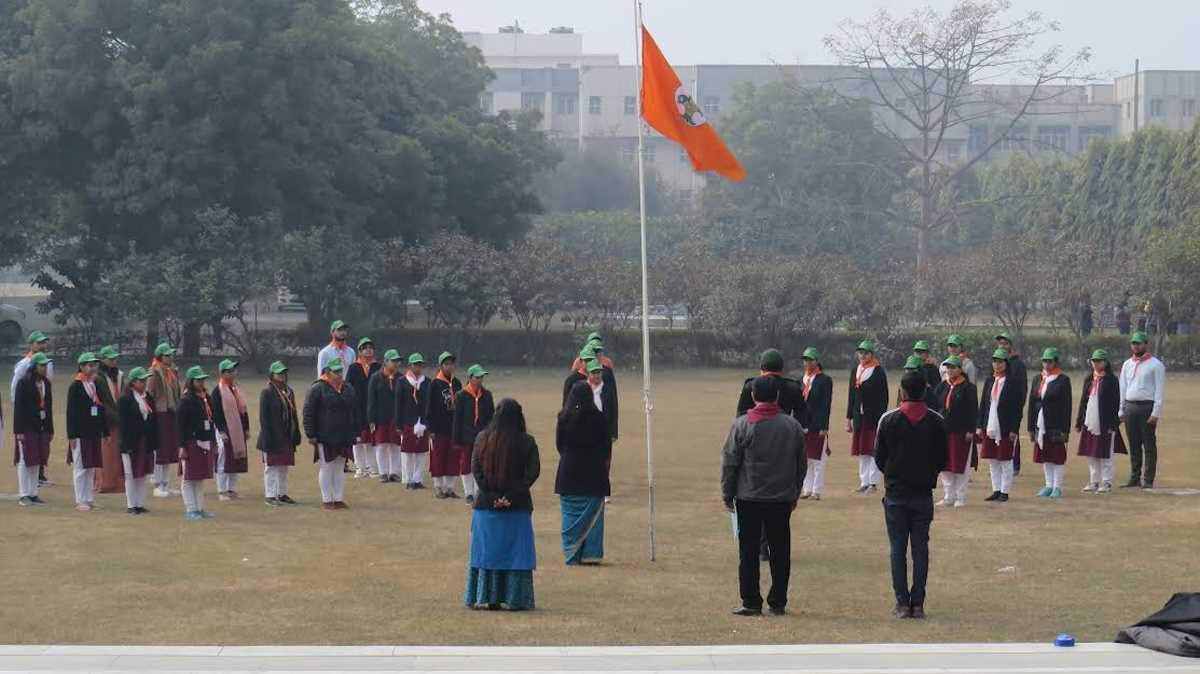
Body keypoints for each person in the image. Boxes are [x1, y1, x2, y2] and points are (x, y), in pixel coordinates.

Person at [721, 375, 806, 616]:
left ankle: (751, 601)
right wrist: (794, 493)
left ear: (753, 396)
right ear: (777, 396)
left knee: (748, 551)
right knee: (781, 551)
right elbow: (801, 465)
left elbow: (730, 463)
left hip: (749, 498)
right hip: (780, 498)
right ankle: (778, 601)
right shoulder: (792, 426)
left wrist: (727, 494)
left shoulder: (742, 425)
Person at [875, 371, 948, 620]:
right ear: (926, 391)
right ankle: (918, 603)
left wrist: (895, 473)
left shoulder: (888, 419)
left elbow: (879, 459)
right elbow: (942, 459)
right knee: (920, 549)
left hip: (896, 493)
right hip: (922, 493)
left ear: (903, 392)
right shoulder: (936, 421)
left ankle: (902, 603)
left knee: (897, 549)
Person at [464, 398, 541, 611]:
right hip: (517, 509)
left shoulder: (482, 439)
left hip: (486, 508)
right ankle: (515, 597)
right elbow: (531, 473)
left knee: (488, 553)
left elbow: (476, 471)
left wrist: (493, 497)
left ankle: (487, 596)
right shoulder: (527, 441)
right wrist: (510, 497)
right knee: (515, 555)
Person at [555, 380, 611, 565]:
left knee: (570, 514)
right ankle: (591, 555)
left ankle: (572, 554)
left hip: (569, 474)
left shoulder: (563, 417)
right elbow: (606, 448)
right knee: (593, 517)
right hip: (594, 475)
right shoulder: (600, 419)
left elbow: (560, 446)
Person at [303, 357, 359, 510]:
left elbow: (354, 410)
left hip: (344, 433)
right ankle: (327, 499)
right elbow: (308, 412)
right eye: (336, 372)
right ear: (327, 372)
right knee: (327, 466)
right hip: (324, 434)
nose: (339, 375)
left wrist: (355, 430)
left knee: (340, 466)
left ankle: (338, 498)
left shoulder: (348, 388)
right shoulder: (317, 388)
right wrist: (311, 434)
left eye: (340, 371)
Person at [976, 349, 1024, 503]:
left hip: (1004, 426)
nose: (997, 364)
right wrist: (979, 425)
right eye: (995, 361)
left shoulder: (1012, 382)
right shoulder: (990, 380)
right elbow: (983, 404)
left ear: (1006, 364)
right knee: (992, 459)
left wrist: (1013, 429)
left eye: (1000, 361)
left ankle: (1005, 491)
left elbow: (1017, 408)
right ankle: (995, 489)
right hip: (989, 423)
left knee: (1005, 459)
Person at [930, 356, 978, 508]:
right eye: (948, 367)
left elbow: (973, 411)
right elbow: (935, 406)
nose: (950, 370)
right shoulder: (942, 386)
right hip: (944, 431)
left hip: (961, 432)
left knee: (960, 465)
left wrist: (971, 430)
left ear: (960, 369)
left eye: (953, 367)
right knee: (946, 465)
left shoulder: (968, 388)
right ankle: (948, 496)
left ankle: (961, 496)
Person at [1119, 331, 1165, 490]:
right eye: (1133, 343)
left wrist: (1156, 412)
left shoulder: (1156, 365)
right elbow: (1123, 388)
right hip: (1130, 406)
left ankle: (1148, 479)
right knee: (1133, 444)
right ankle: (1134, 477)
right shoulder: (1127, 364)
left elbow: (1159, 391)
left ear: (1146, 344)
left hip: (1147, 406)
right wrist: (1121, 410)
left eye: (1139, 343)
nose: (1136, 346)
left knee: (1149, 444)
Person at [1076, 350, 1126, 494]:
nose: (1096, 364)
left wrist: (1113, 423)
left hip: (1105, 422)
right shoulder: (1089, 378)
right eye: (1094, 361)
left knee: (1107, 453)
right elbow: (1083, 401)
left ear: (1105, 362)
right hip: (1090, 420)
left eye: (1099, 361)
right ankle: (1094, 481)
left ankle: (1106, 481)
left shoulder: (1111, 380)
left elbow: (1115, 402)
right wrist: (1080, 421)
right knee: (1091, 452)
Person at [66, 352, 109, 512]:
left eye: (94, 365)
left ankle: (89, 498)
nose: (93, 368)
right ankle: (80, 499)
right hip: (80, 433)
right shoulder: (75, 386)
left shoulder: (94, 384)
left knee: (91, 466)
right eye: (90, 365)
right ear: (82, 367)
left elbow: (101, 408)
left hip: (94, 432)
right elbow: (71, 413)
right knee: (80, 467)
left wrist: (105, 431)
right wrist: (71, 435)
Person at [12, 331, 54, 487]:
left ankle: (36, 486)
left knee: (38, 455)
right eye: (42, 365)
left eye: (44, 342)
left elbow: (48, 403)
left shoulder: (46, 380)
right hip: (26, 420)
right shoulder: (23, 371)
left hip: (41, 420)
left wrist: (50, 427)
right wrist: (19, 428)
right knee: (26, 457)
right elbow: (17, 397)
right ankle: (25, 492)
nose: (45, 367)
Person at [1028, 348, 1072, 499]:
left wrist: (1065, 429)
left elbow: (1067, 406)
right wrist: (1030, 427)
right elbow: (1032, 402)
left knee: (1057, 456)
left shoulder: (1063, 380)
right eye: (1044, 361)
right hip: (1040, 422)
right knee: (1045, 455)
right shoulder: (1037, 378)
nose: (1046, 364)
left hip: (1055, 422)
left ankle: (1057, 486)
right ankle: (1048, 485)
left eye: (1050, 361)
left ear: (1056, 362)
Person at [846, 339, 887, 494]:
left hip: (873, 416)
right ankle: (864, 481)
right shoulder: (855, 370)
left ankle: (873, 483)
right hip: (859, 417)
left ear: (871, 354)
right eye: (860, 352)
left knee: (872, 450)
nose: (862, 356)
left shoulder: (878, 371)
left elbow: (883, 397)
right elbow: (852, 396)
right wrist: (848, 418)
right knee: (862, 450)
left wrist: (881, 418)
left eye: (866, 353)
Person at [257, 361, 301, 507]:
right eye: (278, 373)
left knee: (284, 466)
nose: (282, 375)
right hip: (271, 435)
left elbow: (294, 414)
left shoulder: (289, 391)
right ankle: (270, 495)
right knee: (271, 466)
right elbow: (264, 418)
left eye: (283, 372)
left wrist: (297, 433)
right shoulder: (267, 392)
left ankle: (282, 493)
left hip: (286, 435)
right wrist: (268, 437)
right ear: (272, 375)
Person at [176, 366, 217, 520]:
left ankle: (199, 508)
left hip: (205, 441)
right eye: (198, 380)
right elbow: (179, 426)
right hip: (191, 442)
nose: (201, 382)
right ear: (191, 381)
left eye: (202, 380)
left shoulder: (205, 397)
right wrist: (181, 446)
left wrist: (212, 439)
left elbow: (211, 419)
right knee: (188, 477)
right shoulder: (186, 400)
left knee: (199, 477)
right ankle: (191, 509)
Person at [453, 364, 495, 505]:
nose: (480, 380)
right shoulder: (461, 395)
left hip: (483, 436)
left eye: (482, 377)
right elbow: (457, 419)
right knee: (466, 464)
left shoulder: (487, 395)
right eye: (477, 377)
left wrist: (491, 434)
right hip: (466, 436)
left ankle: (479, 492)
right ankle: (468, 493)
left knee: (482, 464)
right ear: (470, 378)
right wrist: (456, 439)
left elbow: (491, 417)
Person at [118, 367, 157, 514]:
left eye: (145, 380)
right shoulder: (125, 400)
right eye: (141, 380)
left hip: (145, 441)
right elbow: (123, 425)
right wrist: (127, 445)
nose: (145, 383)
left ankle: (139, 503)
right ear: (133, 382)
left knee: (142, 473)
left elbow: (154, 421)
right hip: (130, 442)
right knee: (130, 474)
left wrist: (154, 441)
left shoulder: (148, 398)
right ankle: (131, 505)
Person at [425, 351, 463, 499]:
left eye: (451, 364)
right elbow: (429, 407)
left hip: (453, 428)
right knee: (438, 457)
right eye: (446, 364)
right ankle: (438, 487)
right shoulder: (435, 383)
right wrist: (431, 428)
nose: (449, 367)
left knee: (453, 458)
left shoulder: (457, 383)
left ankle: (450, 488)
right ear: (441, 366)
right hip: (438, 428)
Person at [211, 359, 250, 501]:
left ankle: (232, 489)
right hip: (224, 429)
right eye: (230, 371)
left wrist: (246, 428)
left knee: (235, 460)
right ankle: (222, 491)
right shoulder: (217, 391)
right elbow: (215, 413)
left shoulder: (236, 389)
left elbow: (243, 411)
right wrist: (221, 430)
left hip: (237, 430)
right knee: (223, 459)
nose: (233, 373)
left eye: (234, 370)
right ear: (222, 373)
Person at [146, 343, 181, 498]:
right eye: (168, 355)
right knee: (160, 450)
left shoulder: (172, 371)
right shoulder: (154, 372)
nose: (171, 357)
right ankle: (157, 485)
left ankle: (166, 484)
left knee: (169, 449)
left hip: (171, 412)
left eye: (171, 355)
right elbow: (149, 394)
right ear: (160, 356)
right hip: (159, 414)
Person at [798, 348, 833, 501]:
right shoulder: (801, 379)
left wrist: (824, 426)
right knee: (805, 458)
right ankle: (807, 489)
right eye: (805, 359)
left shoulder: (824, 380)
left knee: (818, 460)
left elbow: (826, 404)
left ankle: (816, 491)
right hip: (802, 424)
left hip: (817, 424)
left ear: (816, 361)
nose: (807, 362)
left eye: (810, 359)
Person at [735, 348, 806, 422]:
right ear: (781, 368)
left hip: (755, 430)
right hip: (783, 429)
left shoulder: (750, 386)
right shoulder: (793, 388)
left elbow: (740, 417)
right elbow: (803, 418)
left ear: (761, 368)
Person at [367, 349, 404, 484]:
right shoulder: (376, 377)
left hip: (396, 417)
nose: (396, 364)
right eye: (393, 361)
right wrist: (371, 419)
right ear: (385, 362)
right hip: (380, 416)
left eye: (397, 361)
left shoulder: (401, 377)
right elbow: (371, 400)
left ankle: (394, 472)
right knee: (381, 445)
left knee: (395, 446)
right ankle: (383, 473)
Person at [995, 332, 1028, 475]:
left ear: (1010, 346)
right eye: (1000, 343)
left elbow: (1022, 387)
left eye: (1005, 343)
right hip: (998, 405)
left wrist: (1019, 405)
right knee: (997, 435)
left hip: (1012, 406)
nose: (1002, 346)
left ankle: (1015, 465)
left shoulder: (1018, 364)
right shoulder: (997, 362)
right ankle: (999, 462)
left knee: (1012, 436)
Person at [347, 337, 380, 479]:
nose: (368, 350)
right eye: (365, 347)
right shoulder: (353, 368)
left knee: (372, 440)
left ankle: (372, 468)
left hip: (373, 407)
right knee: (358, 440)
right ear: (360, 351)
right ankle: (359, 468)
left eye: (371, 347)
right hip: (357, 408)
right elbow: (348, 387)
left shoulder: (378, 367)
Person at [397, 353, 430, 490]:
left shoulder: (427, 382)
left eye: (420, 364)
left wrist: (428, 422)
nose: (418, 367)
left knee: (422, 452)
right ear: (410, 365)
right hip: (407, 421)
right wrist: (399, 424)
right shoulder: (402, 381)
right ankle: (408, 479)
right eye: (415, 364)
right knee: (407, 452)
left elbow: (429, 403)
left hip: (422, 420)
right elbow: (398, 404)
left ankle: (418, 479)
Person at [95, 345, 125, 494]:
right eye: (110, 358)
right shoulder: (98, 377)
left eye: (114, 358)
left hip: (120, 418)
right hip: (106, 420)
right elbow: (100, 400)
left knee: (117, 452)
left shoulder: (119, 375)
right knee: (105, 452)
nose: (113, 361)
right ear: (103, 359)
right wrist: (111, 415)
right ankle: (104, 483)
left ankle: (118, 483)